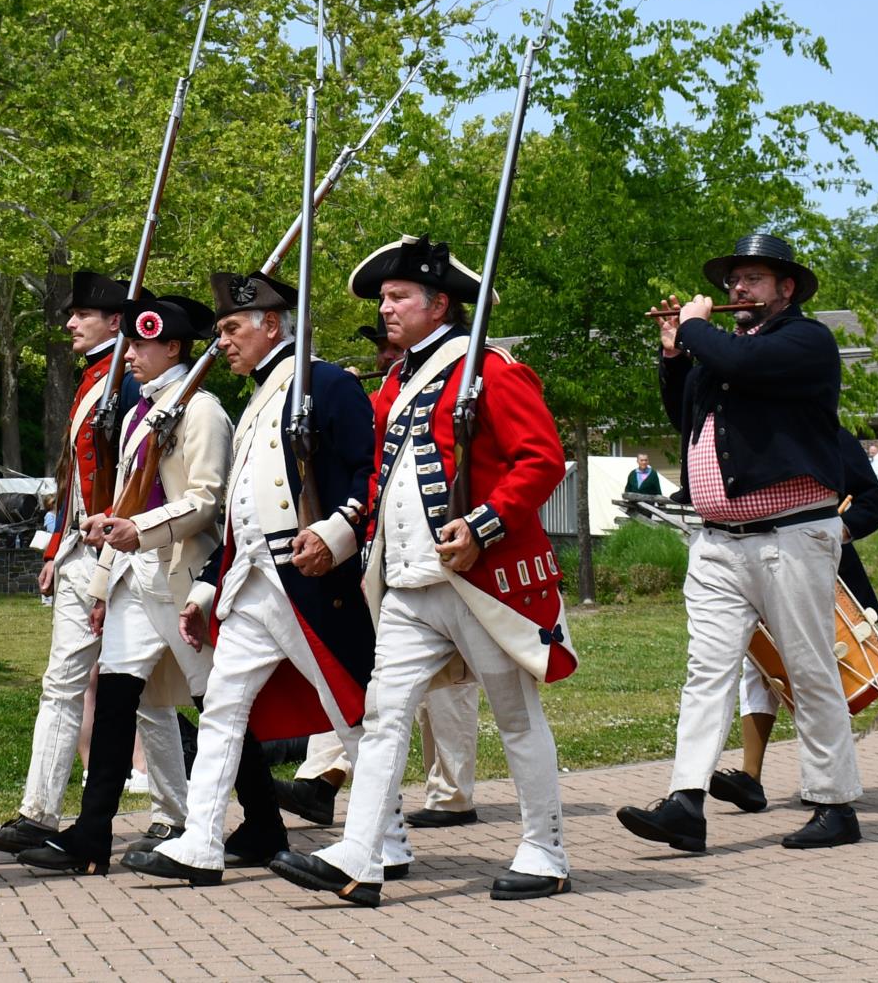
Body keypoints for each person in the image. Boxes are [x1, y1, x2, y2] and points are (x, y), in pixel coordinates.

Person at [271, 234, 576, 905]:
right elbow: (380, 485)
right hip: (409, 584)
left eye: (398, 296)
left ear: (440, 304)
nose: (386, 308)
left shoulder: (489, 370)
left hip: (479, 582)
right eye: (384, 297)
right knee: (382, 716)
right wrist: (336, 538)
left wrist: (483, 524)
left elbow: (541, 459)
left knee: (515, 717)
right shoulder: (396, 384)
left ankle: (545, 850)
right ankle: (363, 854)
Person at [124, 271, 408, 887]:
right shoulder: (258, 398)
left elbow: (370, 474)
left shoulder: (325, 384)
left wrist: (337, 533)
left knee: (350, 709)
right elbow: (238, 514)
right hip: (251, 581)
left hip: (308, 577)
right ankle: (199, 842)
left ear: (271, 325)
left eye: (231, 329)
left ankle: (387, 837)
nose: (221, 342)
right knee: (224, 707)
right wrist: (207, 587)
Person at [617, 231, 868, 850]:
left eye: (752, 278)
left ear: (786, 288)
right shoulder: (721, 353)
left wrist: (698, 330)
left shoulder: (806, 341)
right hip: (719, 541)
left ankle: (836, 805)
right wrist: (676, 355)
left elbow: (744, 366)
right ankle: (686, 801)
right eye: (732, 279)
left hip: (791, 535)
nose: (736, 288)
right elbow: (687, 415)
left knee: (808, 669)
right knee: (706, 670)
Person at [0, 271, 188, 862]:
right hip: (80, 547)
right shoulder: (97, 380)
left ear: (115, 322)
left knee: (147, 694)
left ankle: (174, 813)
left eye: (83, 313)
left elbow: (134, 478)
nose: (70, 322)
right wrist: (55, 546)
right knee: (67, 684)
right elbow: (74, 475)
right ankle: (40, 812)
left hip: (120, 551)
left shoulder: (126, 385)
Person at [17, 292, 232, 877]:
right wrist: (106, 584)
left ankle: (256, 820)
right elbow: (124, 502)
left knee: (220, 705)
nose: (130, 353)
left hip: (180, 575)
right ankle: (92, 834)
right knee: (114, 702)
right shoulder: (142, 413)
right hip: (135, 576)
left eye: (142, 343)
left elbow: (206, 503)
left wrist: (137, 531)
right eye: (130, 341)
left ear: (174, 348)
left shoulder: (203, 409)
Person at [278, 318, 483, 832]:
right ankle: (322, 779)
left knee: (451, 687)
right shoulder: (386, 394)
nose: (382, 357)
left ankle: (452, 794)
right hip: (391, 563)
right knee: (380, 689)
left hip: (457, 557)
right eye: (379, 350)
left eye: (389, 347)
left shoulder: (462, 380)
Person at [708, 425, 878, 812]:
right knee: (759, 668)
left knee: (816, 672)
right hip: (752, 570)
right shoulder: (745, 438)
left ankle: (827, 783)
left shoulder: (828, 434)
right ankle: (750, 777)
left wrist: (834, 530)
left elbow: (873, 502)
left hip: (820, 572)